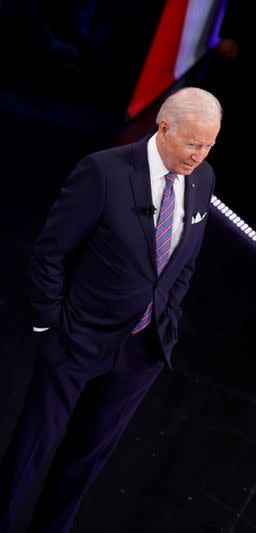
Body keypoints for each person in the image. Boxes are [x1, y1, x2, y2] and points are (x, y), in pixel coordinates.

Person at [0, 87, 222, 532]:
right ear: (164, 129)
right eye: (193, 143)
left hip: (141, 350)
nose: (200, 155)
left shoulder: (203, 179)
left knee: (87, 458)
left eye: (210, 145)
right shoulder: (103, 171)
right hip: (77, 339)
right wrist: (50, 325)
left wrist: (168, 318)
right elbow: (50, 254)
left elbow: (185, 263)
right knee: (32, 449)